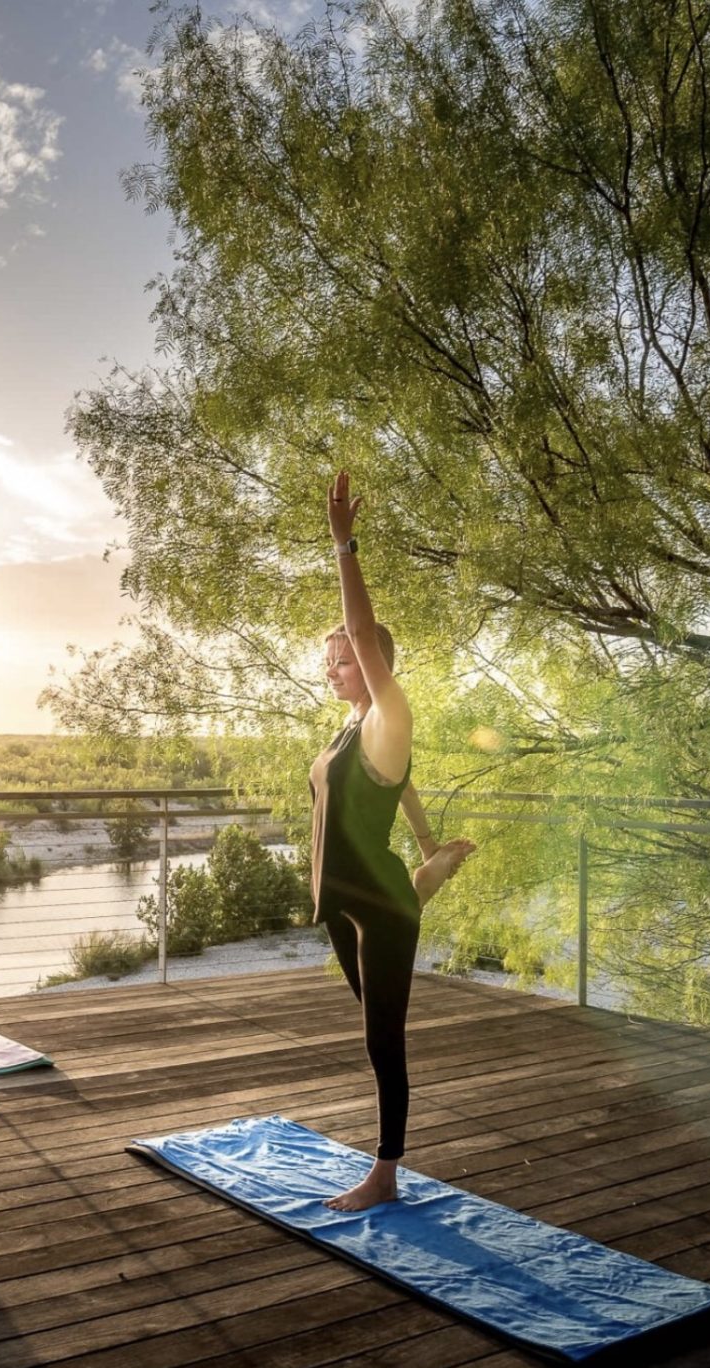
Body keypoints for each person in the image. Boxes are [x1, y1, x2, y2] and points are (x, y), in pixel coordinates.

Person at [310, 472, 471, 1210]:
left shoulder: (388, 712)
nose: (333, 666)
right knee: (369, 1015)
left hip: (378, 909)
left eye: (344, 658)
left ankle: (384, 1172)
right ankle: (426, 873)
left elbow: (361, 618)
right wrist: (429, 836)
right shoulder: (353, 729)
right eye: (331, 659)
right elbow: (398, 787)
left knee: (384, 1039)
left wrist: (344, 544)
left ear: (375, 663)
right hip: (345, 902)